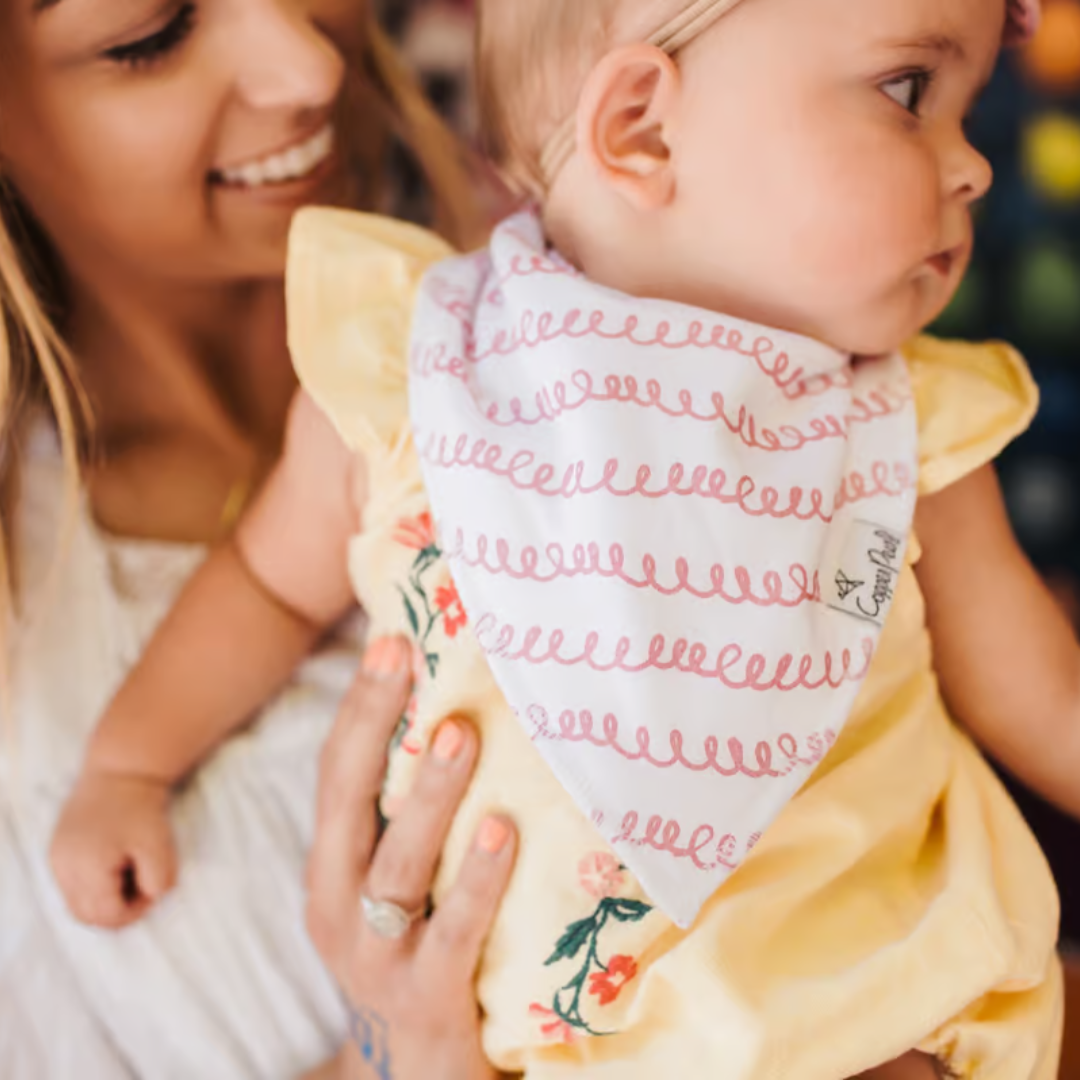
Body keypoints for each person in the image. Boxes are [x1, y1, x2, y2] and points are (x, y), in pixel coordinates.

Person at [48, 0, 1073, 1076]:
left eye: (964, 112)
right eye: (910, 91)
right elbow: (266, 586)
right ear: (642, 127)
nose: (974, 168)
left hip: (866, 1022)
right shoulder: (421, 380)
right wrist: (129, 763)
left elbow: (1036, 694)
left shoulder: (901, 428)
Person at [0, 0, 490, 1074]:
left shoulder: (558, 207)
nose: (308, 64)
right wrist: (404, 1057)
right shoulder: (31, 666)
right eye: (148, 32)